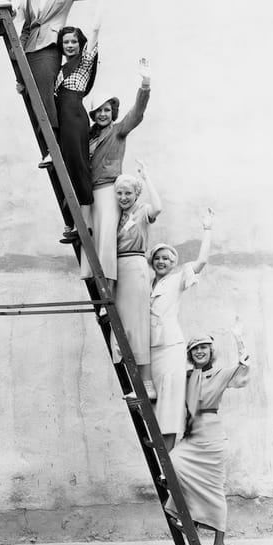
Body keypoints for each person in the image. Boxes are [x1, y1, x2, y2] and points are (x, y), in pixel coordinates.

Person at [164, 321, 251, 545]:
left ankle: (219, 544)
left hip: (212, 440)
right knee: (172, 463)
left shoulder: (221, 373)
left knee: (214, 492)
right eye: (195, 349)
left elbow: (242, 372)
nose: (200, 351)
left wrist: (240, 340)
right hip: (191, 438)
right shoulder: (187, 376)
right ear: (190, 354)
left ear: (211, 351)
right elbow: (165, 391)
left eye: (204, 347)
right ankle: (188, 516)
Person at [20, 0, 105, 141]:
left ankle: (52, 139)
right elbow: (27, 28)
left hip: (49, 48)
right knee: (32, 97)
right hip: (30, 51)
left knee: (46, 93)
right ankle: (45, 140)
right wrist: (19, 52)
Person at [80, 59, 151, 287]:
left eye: (107, 110)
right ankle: (96, 287)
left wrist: (145, 84)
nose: (103, 114)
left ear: (113, 113)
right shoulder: (88, 136)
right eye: (99, 110)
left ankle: (108, 288)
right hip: (89, 193)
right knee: (91, 237)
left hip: (109, 190)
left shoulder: (118, 131)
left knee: (107, 240)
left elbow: (137, 114)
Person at [149, 210, 215, 451]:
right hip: (151, 350)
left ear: (173, 263)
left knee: (169, 402)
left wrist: (207, 230)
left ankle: (168, 453)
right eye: (158, 258)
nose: (162, 262)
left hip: (170, 347)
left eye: (167, 258)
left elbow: (201, 263)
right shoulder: (145, 283)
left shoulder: (177, 279)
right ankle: (161, 449)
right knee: (156, 400)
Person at [54, 0, 103, 244]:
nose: (70, 45)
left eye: (73, 41)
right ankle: (73, 221)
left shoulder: (83, 62)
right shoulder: (60, 69)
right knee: (66, 168)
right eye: (66, 42)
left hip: (74, 115)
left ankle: (86, 224)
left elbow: (95, 30)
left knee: (78, 165)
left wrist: (101, 0)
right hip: (63, 117)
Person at [112, 161, 162, 397]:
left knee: (137, 324)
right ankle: (136, 384)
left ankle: (146, 384)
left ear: (136, 194)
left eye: (128, 193)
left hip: (135, 265)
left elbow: (158, 208)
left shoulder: (142, 211)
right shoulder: (115, 216)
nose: (123, 197)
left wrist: (146, 177)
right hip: (118, 268)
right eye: (119, 193)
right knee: (122, 323)